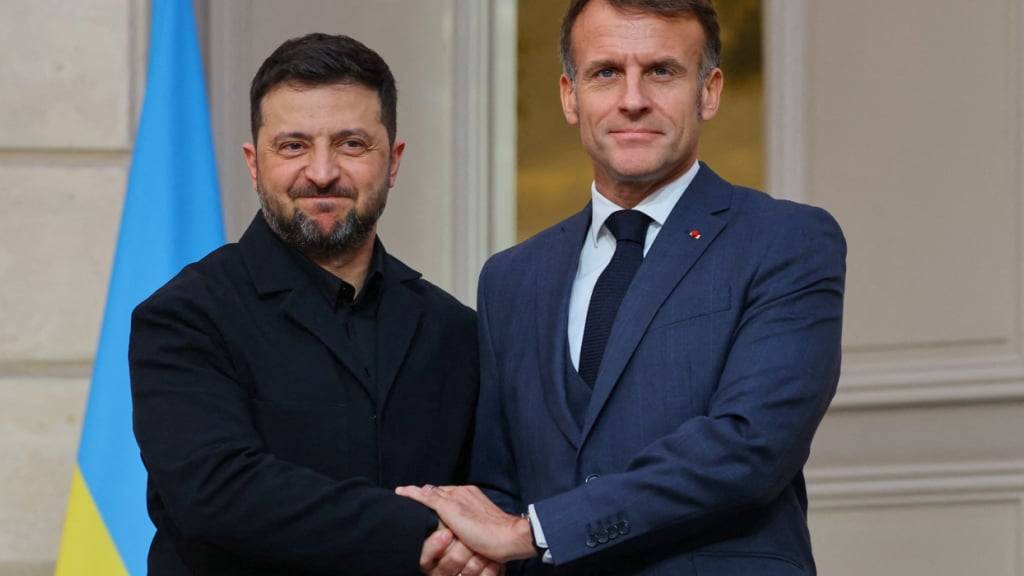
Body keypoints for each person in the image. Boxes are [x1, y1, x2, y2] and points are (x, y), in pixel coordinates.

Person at [398, 1, 846, 574]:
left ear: (708, 92)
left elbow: (750, 447)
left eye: (661, 71)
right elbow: (501, 483)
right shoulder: (511, 279)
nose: (632, 99)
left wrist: (532, 531)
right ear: (570, 95)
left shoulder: (786, 240)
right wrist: (470, 547)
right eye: (606, 72)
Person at [130, 33, 491, 575]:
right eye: (293, 146)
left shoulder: (453, 329)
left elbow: (490, 488)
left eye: (351, 144)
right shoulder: (184, 316)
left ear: (392, 161)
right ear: (255, 163)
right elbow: (219, 493)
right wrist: (429, 532)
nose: (322, 172)